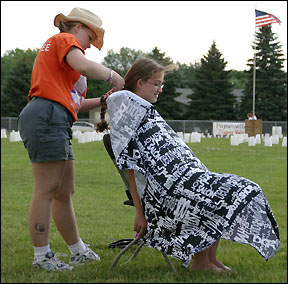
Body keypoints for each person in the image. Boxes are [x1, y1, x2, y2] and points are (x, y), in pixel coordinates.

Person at [106, 58, 280, 273]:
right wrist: (140, 212)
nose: (160, 89)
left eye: (162, 84)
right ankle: (200, 262)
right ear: (140, 82)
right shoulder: (129, 110)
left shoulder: (145, 111)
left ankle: (209, 259)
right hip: (167, 192)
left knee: (239, 188)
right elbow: (133, 167)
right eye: (157, 83)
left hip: (187, 180)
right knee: (220, 193)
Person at [17, 7, 124, 271]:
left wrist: (103, 100)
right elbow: (82, 64)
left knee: (64, 191)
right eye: (91, 37)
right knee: (46, 189)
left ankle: (77, 250)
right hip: (47, 115)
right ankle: (41, 256)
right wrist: (113, 76)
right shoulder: (65, 40)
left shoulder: (65, 59)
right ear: (77, 28)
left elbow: (73, 104)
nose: (89, 46)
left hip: (58, 116)